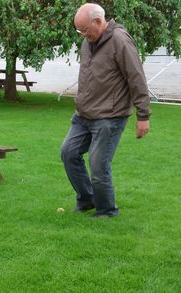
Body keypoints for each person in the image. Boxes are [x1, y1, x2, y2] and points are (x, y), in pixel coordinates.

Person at [60, 3, 150, 218]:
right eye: (79, 31)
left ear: (99, 22)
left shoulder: (120, 41)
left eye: (85, 30)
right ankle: (87, 199)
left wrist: (143, 115)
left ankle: (107, 211)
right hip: (83, 115)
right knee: (68, 153)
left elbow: (136, 78)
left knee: (99, 165)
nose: (82, 35)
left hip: (110, 117)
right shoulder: (88, 41)